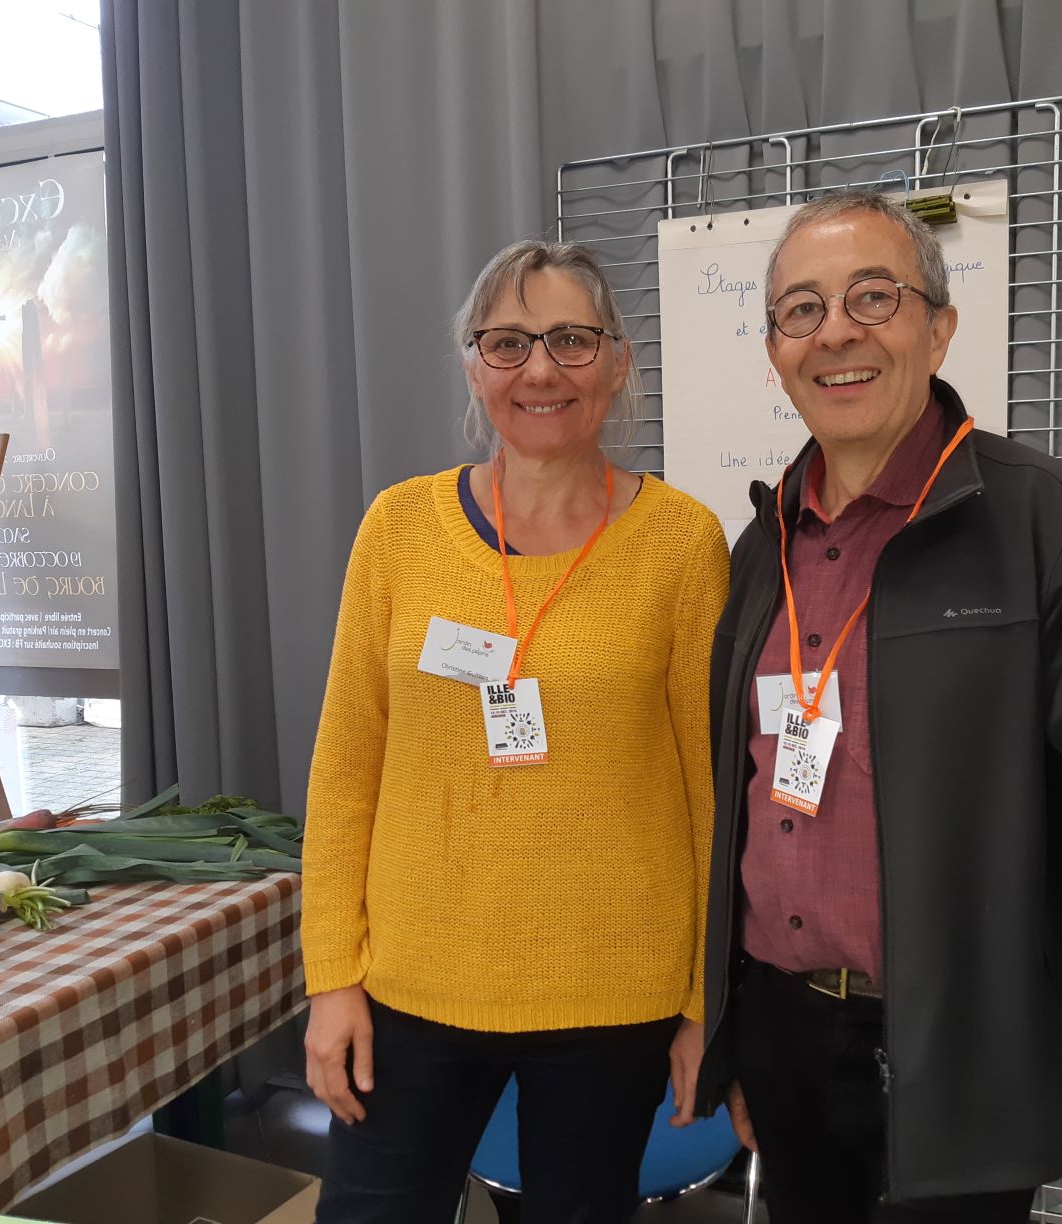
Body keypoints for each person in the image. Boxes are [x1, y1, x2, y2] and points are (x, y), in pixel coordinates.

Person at [692, 190, 1062, 1223]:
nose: (837, 333)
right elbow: (733, 807)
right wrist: (730, 1030)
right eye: (802, 310)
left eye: (874, 295)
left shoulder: (1050, 524)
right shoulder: (755, 553)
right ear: (776, 349)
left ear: (939, 327)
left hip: (963, 1054)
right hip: (782, 1046)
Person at [302, 239, 728, 1223]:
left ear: (620, 364)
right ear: (472, 366)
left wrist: (708, 1003)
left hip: (615, 996)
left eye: (572, 340)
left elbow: (714, 797)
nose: (540, 369)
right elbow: (344, 773)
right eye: (508, 342)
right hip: (410, 989)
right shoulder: (399, 530)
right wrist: (333, 979)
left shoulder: (681, 545)